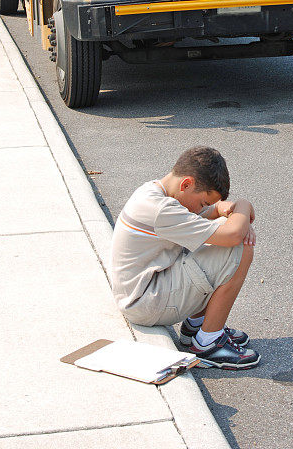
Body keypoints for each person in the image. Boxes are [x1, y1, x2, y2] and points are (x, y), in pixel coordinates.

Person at [110, 146, 260, 369]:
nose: (203, 208)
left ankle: (197, 326)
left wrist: (225, 209)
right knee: (240, 246)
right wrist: (244, 205)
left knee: (218, 232)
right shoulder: (162, 210)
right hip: (144, 303)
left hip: (144, 292)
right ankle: (208, 343)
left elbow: (214, 212)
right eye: (202, 202)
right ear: (186, 184)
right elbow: (233, 235)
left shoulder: (154, 193)